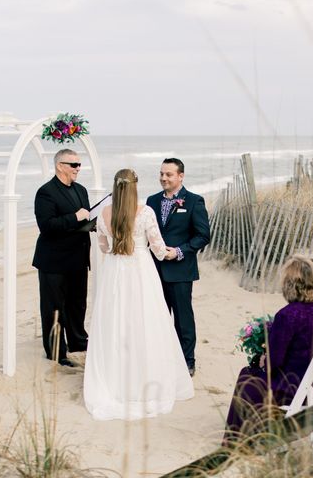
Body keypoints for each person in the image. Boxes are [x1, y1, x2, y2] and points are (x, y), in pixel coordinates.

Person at [83, 169, 194, 420]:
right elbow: (157, 248)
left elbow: (102, 247)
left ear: (115, 187)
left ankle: (116, 382)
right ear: (134, 187)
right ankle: (144, 380)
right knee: (145, 322)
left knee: (115, 323)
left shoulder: (103, 214)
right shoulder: (145, 212)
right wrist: (172, 252)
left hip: (114, 272)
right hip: (141, 272)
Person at [223, 255, 313, 443]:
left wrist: (264, 359)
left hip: (293, 387)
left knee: (247, 376)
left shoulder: (287, 315)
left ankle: (238, 440)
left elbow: (275, 362)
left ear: (290, 285)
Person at [147, 158, 210, 377]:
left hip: (181, 270)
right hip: (154, 270)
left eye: (169, 174)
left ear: (180, 176)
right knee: (159, 317)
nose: (164, 178)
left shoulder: (194, 201)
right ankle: (164, 357)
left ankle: (187, 361)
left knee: (183, 319)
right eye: (162, 173)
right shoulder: (151, 201)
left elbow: (203, 235)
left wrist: (179, 251)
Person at [32, 149, 90, 367]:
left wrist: (91, 224)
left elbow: (84, 219)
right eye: (74, 165)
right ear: (60, 166)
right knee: (54, 307)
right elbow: (46, 226)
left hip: (78, 257)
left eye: (79, 165)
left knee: (78, 304)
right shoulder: (45, 192)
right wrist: (75, 217)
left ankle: (78, 342)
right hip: (53, 260)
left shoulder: (81, 190)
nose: (78, 169)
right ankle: (56, 351)